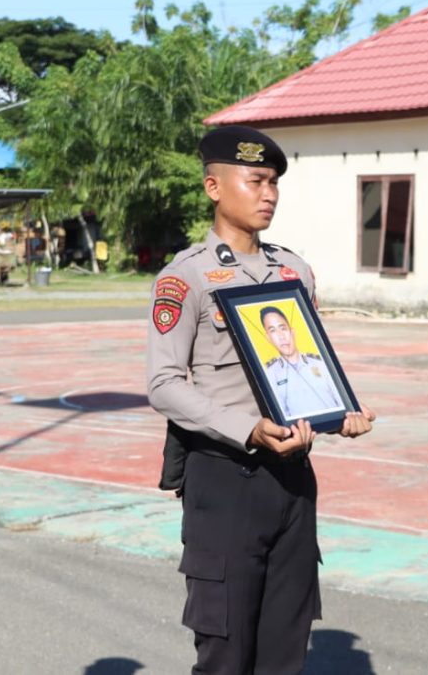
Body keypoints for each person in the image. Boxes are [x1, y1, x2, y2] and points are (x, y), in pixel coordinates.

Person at [146, 124, 376, 674]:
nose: (269, 193)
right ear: (214, 187)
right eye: (255, 180)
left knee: (285, 652)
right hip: (226, 481)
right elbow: (164, 384)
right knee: (226, 655)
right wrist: (245, 427)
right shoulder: (187, 277)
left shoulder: (293, 271)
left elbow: (307, 367)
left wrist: (337, 411)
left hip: (293, 480)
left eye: (274, 182)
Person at [260, 305, 343, 418]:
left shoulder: (320, 363)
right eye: (273, 331)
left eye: (283, 328)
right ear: (268, 338)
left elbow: (342, 400)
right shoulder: (270, 374)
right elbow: (282, 415)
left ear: (292, 332)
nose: (281, 336)